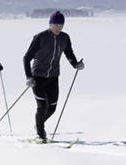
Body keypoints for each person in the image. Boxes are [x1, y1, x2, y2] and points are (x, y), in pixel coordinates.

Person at [23, 11, 85, 143]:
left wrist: (76, 64)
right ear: (50, 24)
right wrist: (29, 77)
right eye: (56, 25)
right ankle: (40, 133)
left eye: (61, 25)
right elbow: (26, 58)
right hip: (38, 77)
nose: (58, 28)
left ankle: (38, 124)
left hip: (53, 77)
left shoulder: (65, 38)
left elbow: (69, 53)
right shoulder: (40, 37)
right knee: (42, 106)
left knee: (52, 108)